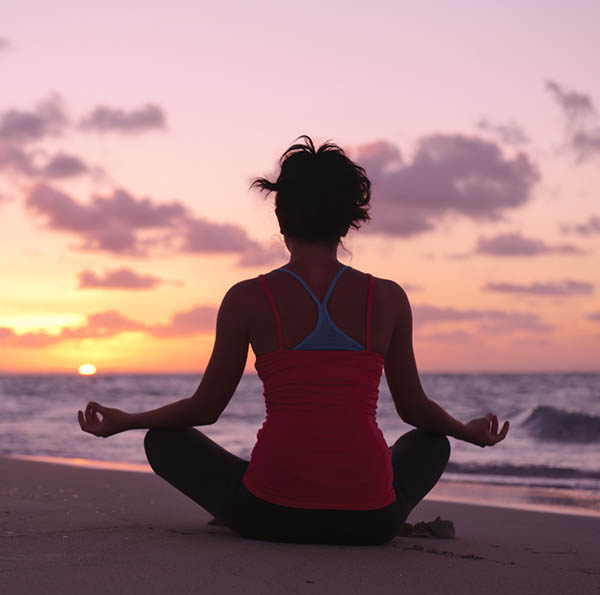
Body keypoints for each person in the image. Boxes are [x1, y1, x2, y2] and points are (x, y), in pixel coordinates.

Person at [77, 135, 509, 545]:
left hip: (268, 516)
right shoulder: (389, 298)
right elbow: (414, 409)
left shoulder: (247, 298)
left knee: (162, 439)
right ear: (348, 222)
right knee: (431, 443)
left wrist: (126, 420)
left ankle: (264, 487)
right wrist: (466, 432)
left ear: (281, 218)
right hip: (370, 523)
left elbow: (205, 409)